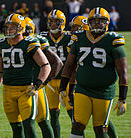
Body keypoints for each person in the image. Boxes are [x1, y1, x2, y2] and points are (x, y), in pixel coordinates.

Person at [60, 7, 128, 138]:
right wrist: (63, 87)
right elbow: (69, 65)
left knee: (100, 128)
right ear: (89, 23)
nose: (97, 24)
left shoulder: (113, 41)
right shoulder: (79, 38)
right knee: (77, 125)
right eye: (94, 21)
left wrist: (122, 98)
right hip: (82, 89)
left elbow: (123, 72)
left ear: (107, 23)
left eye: (100, 21)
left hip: (103, 92)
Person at [0, 13, 51, 138]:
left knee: (29, 126)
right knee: (16, 129)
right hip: (8, 91)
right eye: (8, 26)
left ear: (21, 28)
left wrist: (37, 84)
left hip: (26, 90)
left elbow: (46, 65)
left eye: (13, 26)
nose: (9, 29)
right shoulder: (2, 44)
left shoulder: (29, 43)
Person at [24, 16, 63, 138]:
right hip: (17, 87)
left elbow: (57, 62)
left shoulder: (38, 42)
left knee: (42, 121)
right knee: (25, 123)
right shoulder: (8, 44)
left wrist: (44, 82)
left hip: (35, 88)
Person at [40, 9, 74, 138]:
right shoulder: (43, 36)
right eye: (51, 21)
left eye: (56, 22)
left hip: (67, 80)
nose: (53, 24)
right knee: (53, 114)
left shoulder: (70, 36)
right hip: (50, 80)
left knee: (73, 114)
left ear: (63, 23)